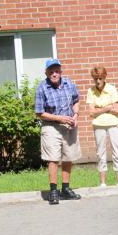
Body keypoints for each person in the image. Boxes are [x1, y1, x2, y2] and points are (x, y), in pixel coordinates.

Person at [35, 58, 82, 205]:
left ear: (60, 71)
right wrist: (59, 118)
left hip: (68, 125)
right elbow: (39, 112)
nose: (54, 74)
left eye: (56, 71)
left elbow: (76, 100)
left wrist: (75, 115)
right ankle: (53, 191)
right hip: (51, 127)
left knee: (68, 156)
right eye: (51, 71)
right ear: (46, 72)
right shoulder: (42, 88)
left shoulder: (69, 83)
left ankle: (66, 189)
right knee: (53, 158)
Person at [86, 65, 118, 187]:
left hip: (113, 123)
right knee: (100, 153)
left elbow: (117, 110)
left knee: (116, 152)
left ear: (105, 77)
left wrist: (100, 109)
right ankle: (103, 182)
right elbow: (91, 113)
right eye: (95, 78)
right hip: (98, 124)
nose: (98, 81)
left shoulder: (112, 89)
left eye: (100, 78)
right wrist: (108, 107)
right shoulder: (90, 91)